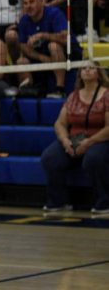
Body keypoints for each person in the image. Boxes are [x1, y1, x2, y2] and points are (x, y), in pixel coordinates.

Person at [40, 63, 109, 217]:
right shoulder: (73, 96)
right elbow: (60, 123)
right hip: (74, 139)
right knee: (50, 157)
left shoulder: (107, 95)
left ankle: (104, 202)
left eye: (91, 68)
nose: (87, 70)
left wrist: (89, 142)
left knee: (93, 159)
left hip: (100, 139)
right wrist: (65, 140)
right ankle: (58, 201)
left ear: (99, 72)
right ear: (79, 74)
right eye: (84, 68)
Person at [16, 0, 80, 98]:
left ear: (41, 1)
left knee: (53, 46)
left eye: (32, 2)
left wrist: (43, 35)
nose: (28, 6)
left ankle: (59, 88)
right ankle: (29, 90)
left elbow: (66, 38)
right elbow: (23, 46)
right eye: (25, 3)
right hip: (43, 57)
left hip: (69, 55)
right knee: (21, 61)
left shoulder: (54, 13)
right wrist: (42, 58)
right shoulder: (24, 20)